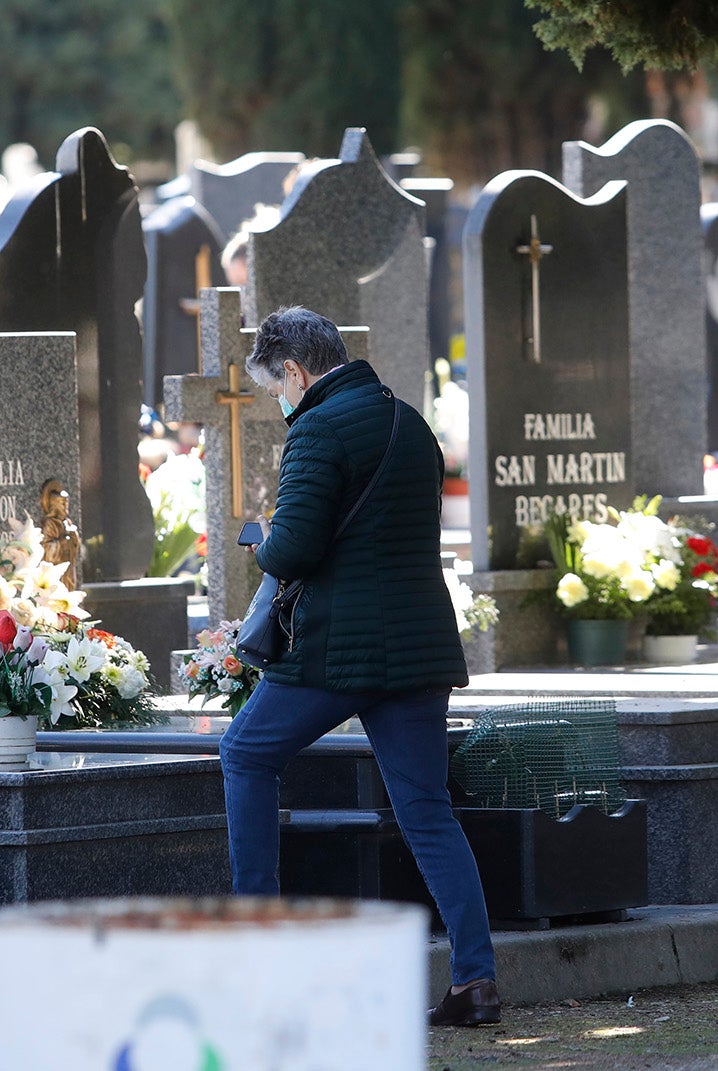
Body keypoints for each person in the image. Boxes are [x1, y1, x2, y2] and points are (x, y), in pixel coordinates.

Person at [222, 306, 499, 1027]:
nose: (280, 401)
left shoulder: (318, 425)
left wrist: (263, 541)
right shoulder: (411, 422)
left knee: (245, 753)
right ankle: (476, 978)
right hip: (418, 647)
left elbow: (298, 549)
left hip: (339, 646)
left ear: (294, 369)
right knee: (428, 811)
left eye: (276, 387)